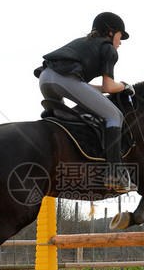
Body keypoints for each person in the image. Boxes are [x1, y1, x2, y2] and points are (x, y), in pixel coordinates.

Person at [35, 12, 137, 193]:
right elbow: (109, 86)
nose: (120, 43)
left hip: (45, 78)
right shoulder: (108, 49)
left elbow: (84, 88)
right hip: (65, 79)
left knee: (62, 118)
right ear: (111, 32)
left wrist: (115, 87)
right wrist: (125, 85)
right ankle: (115, 174)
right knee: (114, 115)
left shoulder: (83, 43)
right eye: (120, 37)